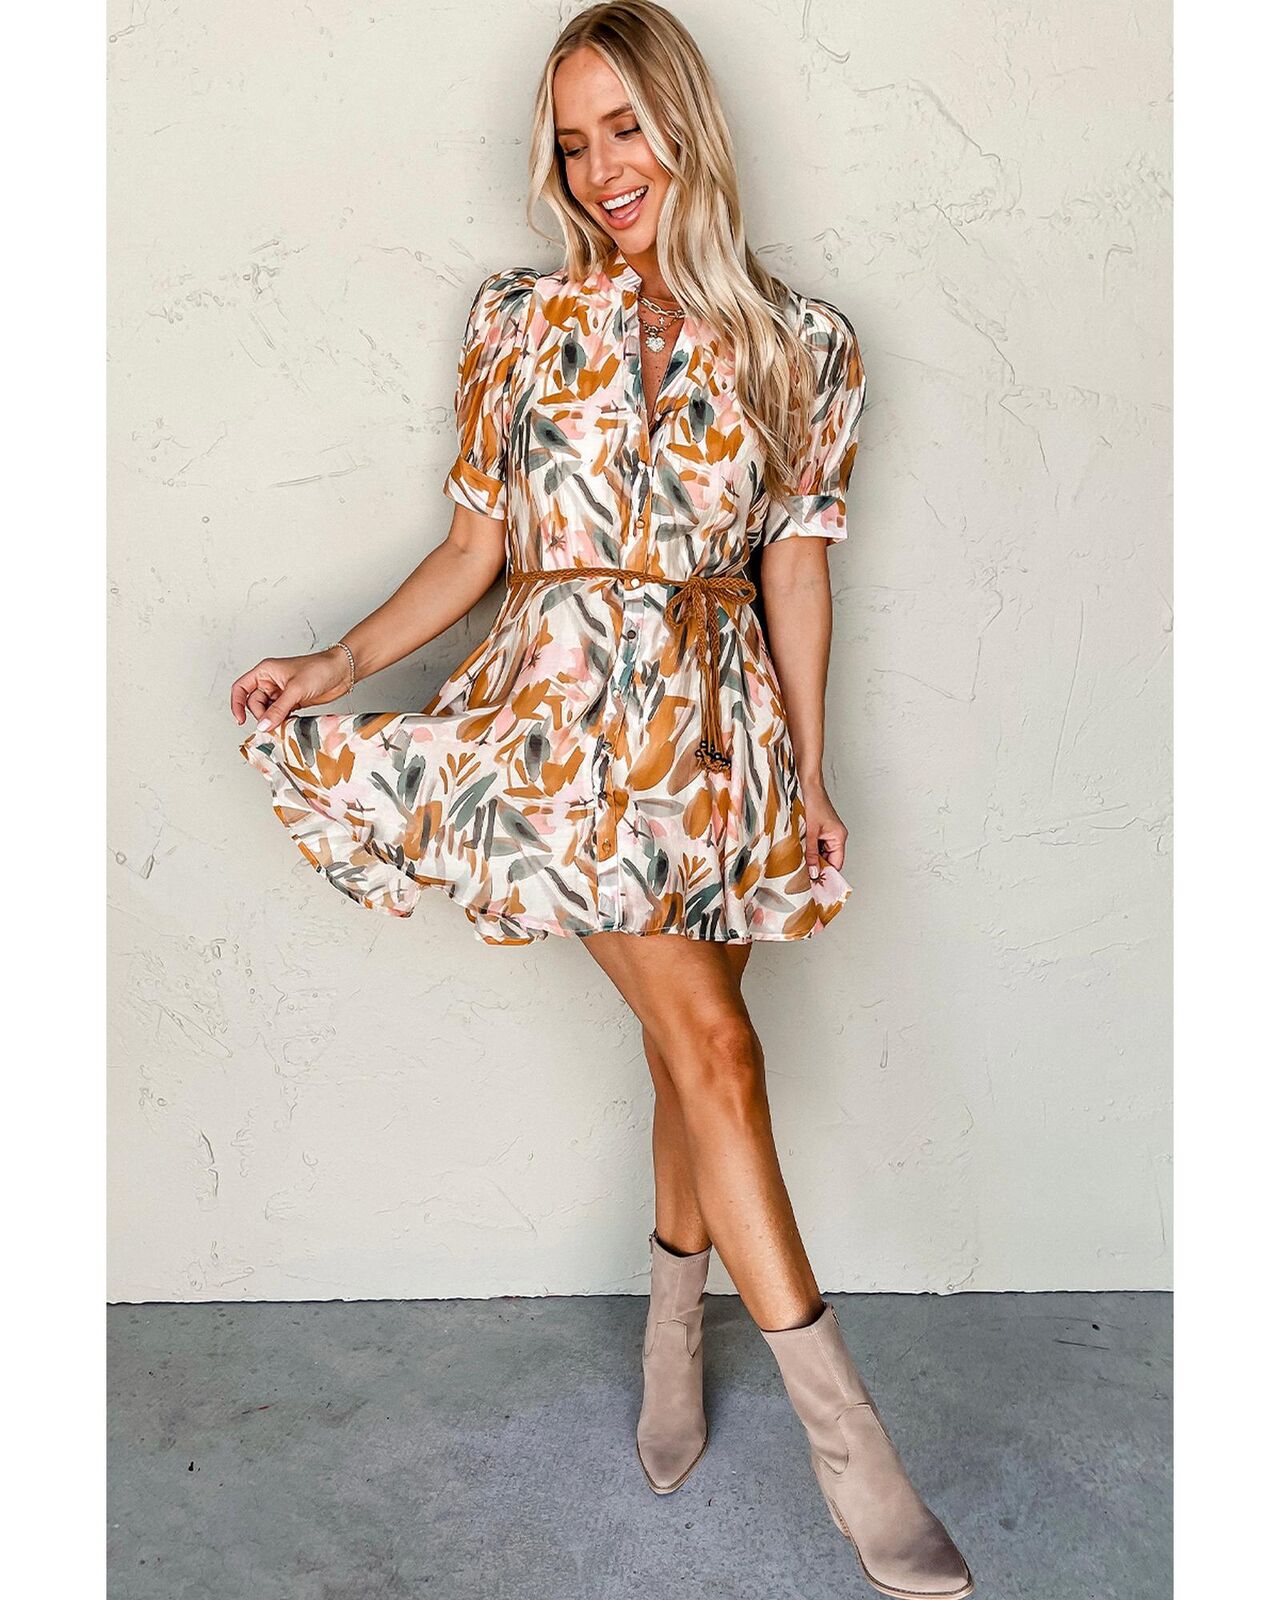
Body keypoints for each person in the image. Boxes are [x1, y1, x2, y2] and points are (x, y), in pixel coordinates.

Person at [229, 3, 973, 1594]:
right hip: (561, 738)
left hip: (717, 744)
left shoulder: (805, 344)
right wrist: (340, 658)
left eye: (625, 126)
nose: (601, 168)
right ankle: (856, 1451)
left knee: (686, 1051)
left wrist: (811, 774)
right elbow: (478, 547)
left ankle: (671, 1338)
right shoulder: (518, 321)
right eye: (573, 142)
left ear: (687, 122)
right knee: (720, 1050)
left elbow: (796, 574)